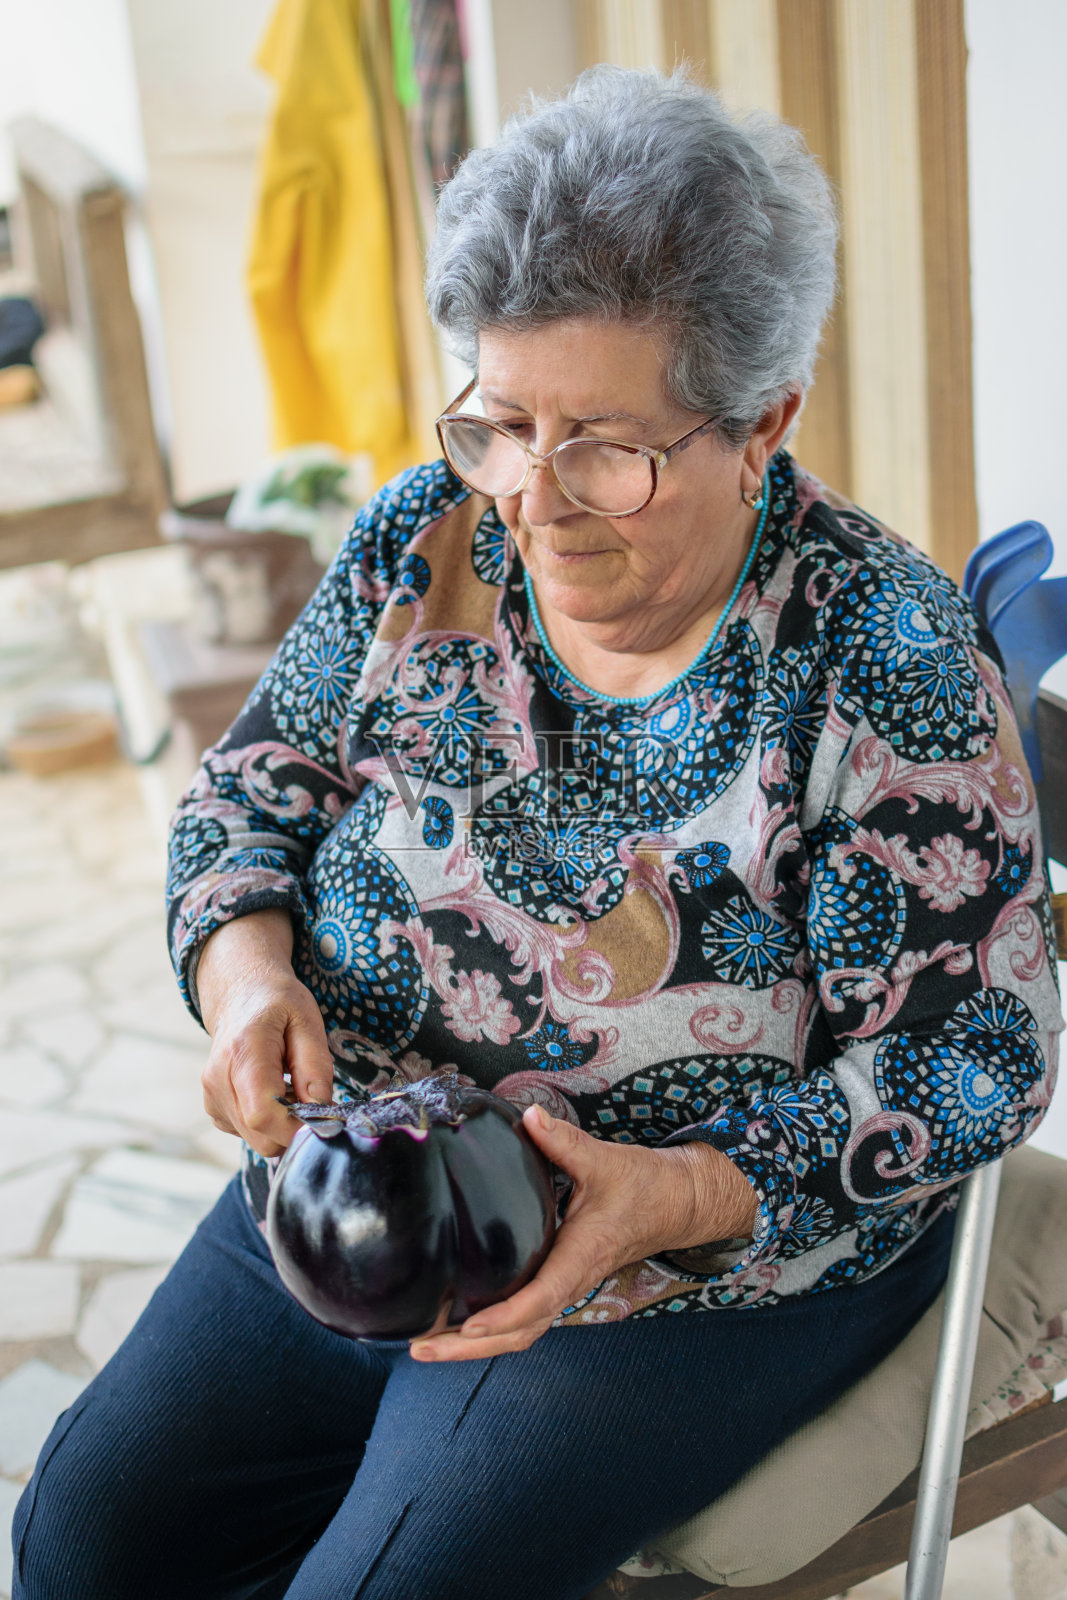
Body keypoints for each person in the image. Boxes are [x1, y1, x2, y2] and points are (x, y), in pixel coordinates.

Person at [14, 66, 1062, 1600]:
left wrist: (689, 1195)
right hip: (357, 1188)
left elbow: (972, 1058)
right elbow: (251, 791)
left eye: (606, 447)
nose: (537, 500)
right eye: (503, 422)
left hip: (690, 1274)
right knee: (86, 1541)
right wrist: (246, 978)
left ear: (761, 418)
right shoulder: (419, 540)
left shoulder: (876, 657)